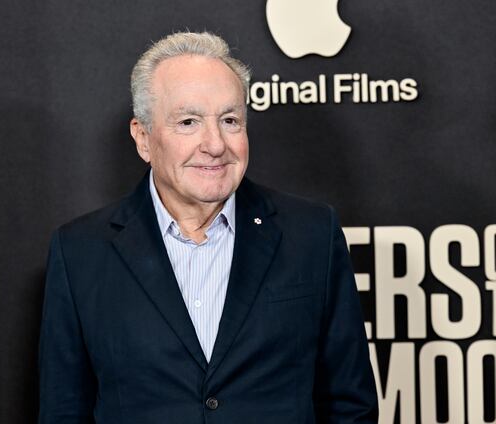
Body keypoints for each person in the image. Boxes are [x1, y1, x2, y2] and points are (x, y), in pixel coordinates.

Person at [39, 31, 378, 423]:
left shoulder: (312, 234)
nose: (215, 144)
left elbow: (351, 405)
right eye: (188, 122)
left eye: (230, 120)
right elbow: (63, 410)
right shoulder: (81, 251)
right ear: (143, 138)